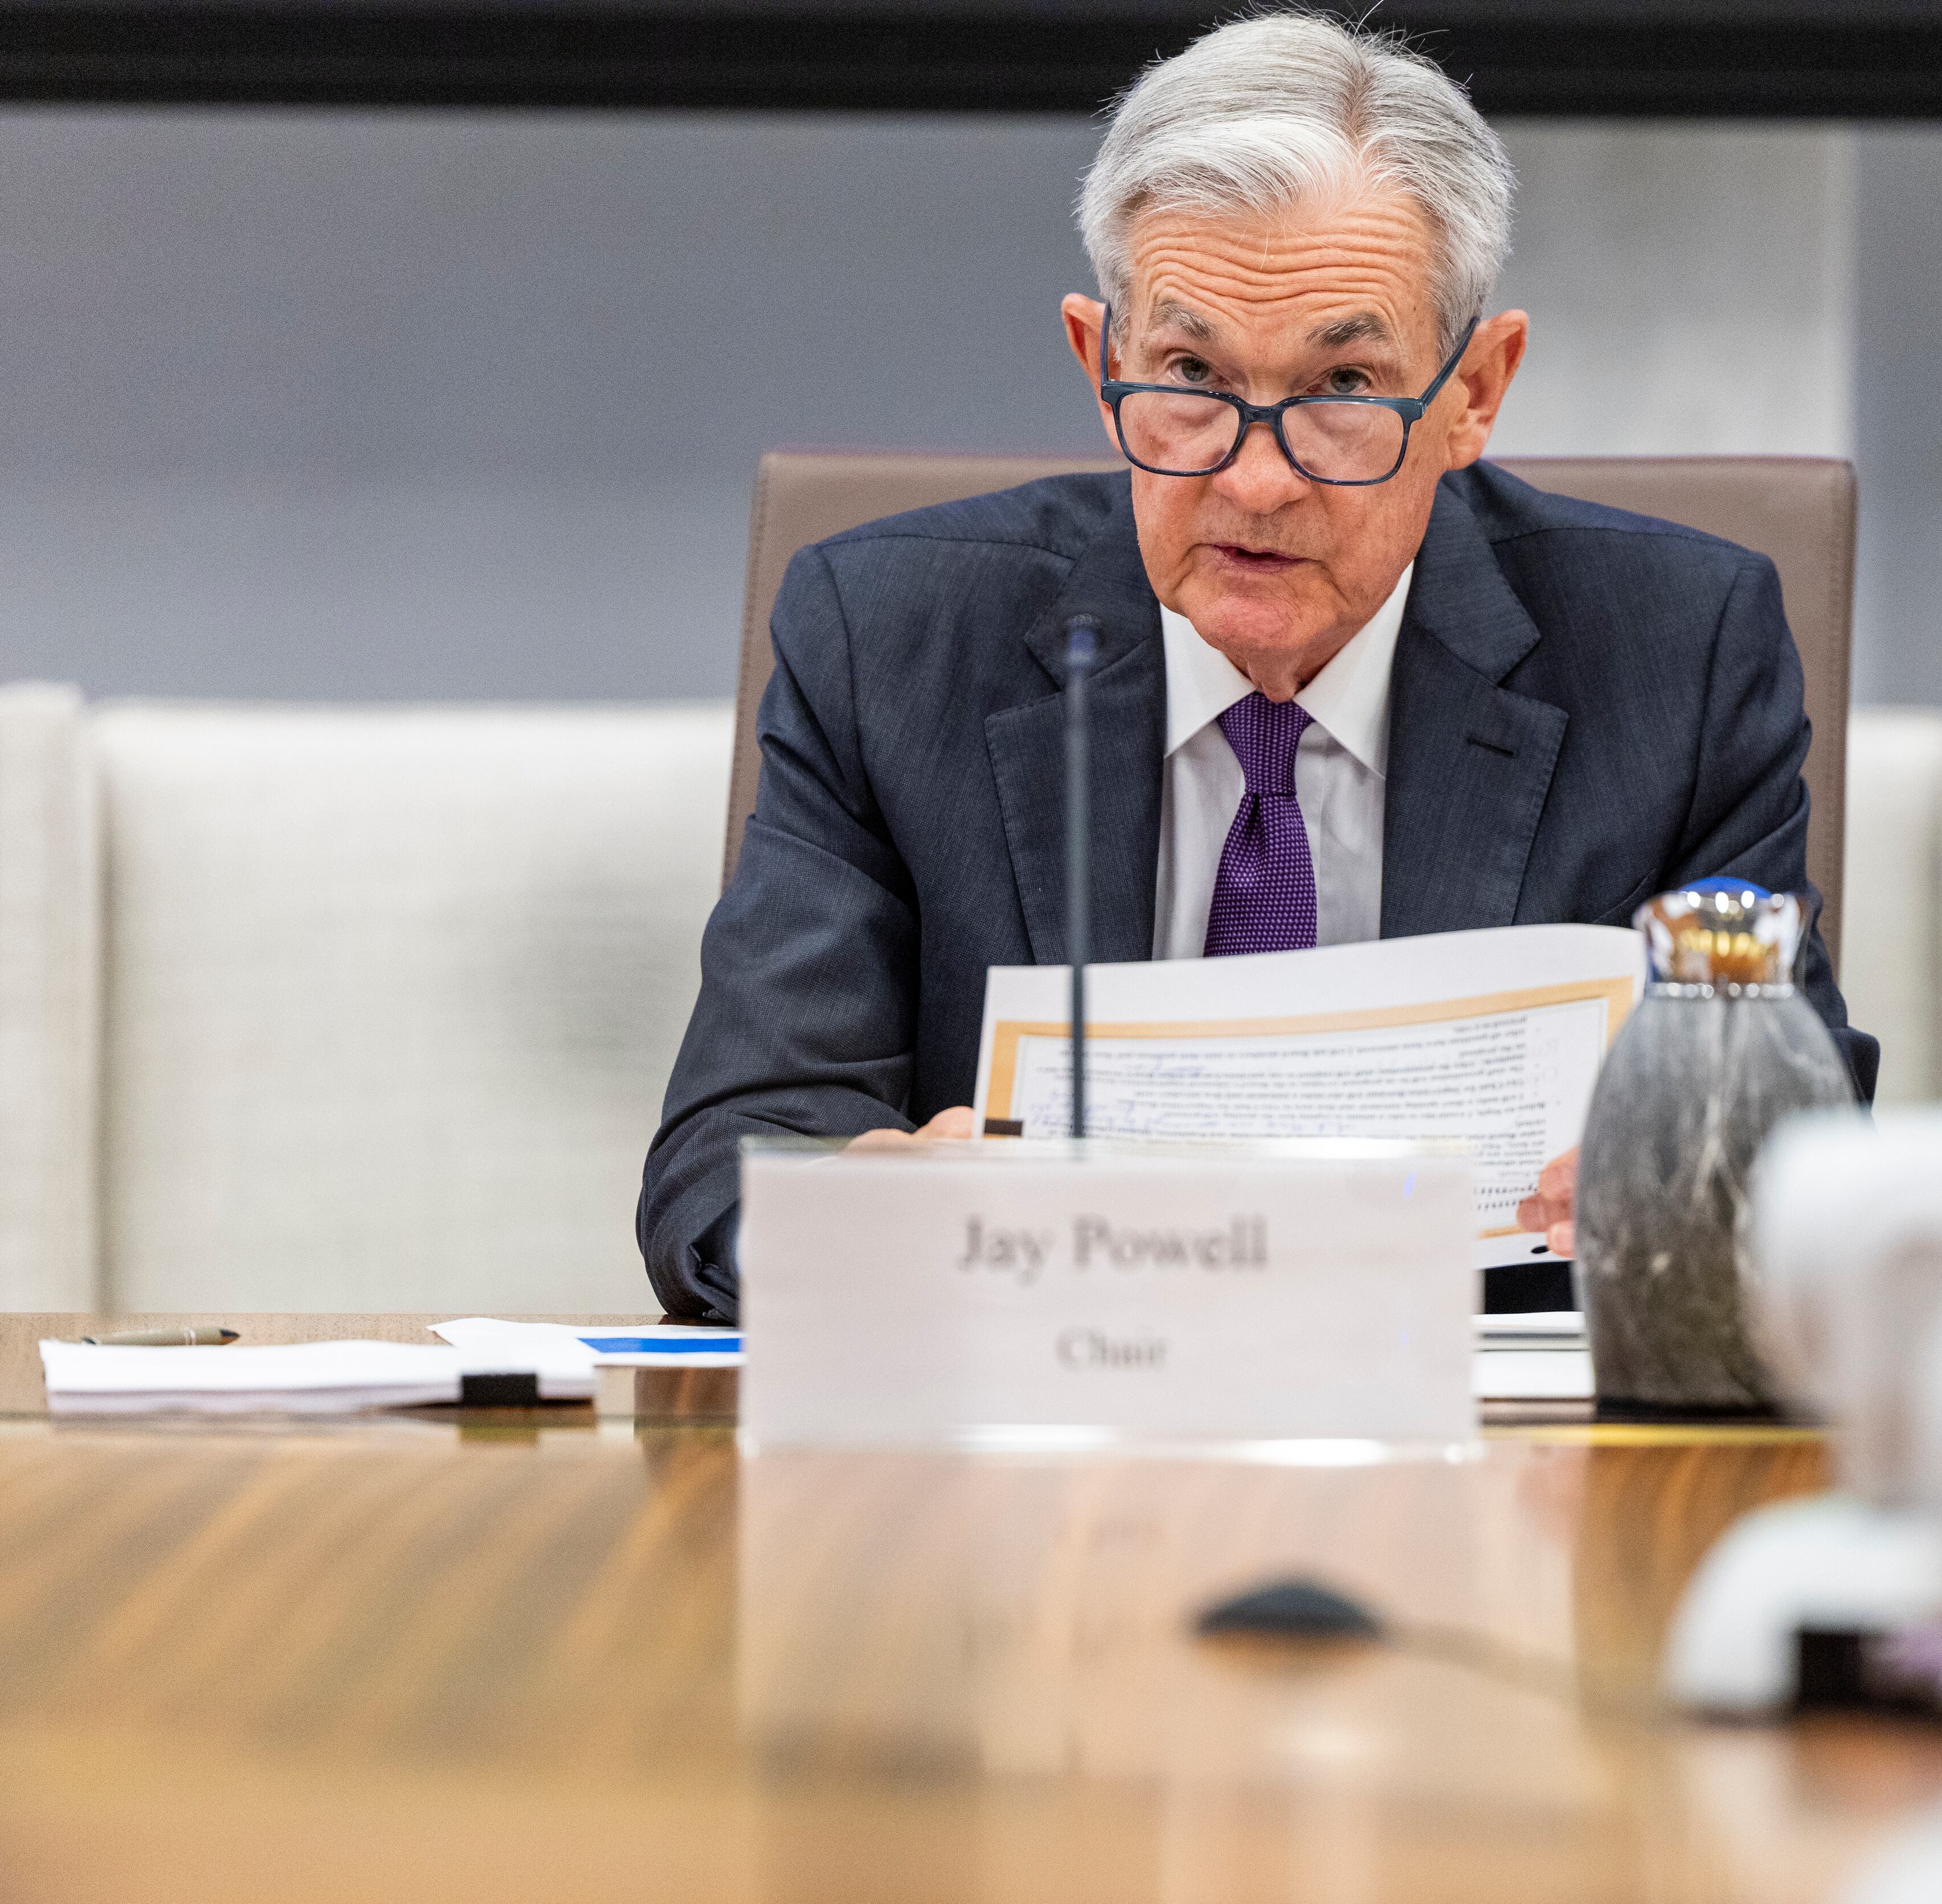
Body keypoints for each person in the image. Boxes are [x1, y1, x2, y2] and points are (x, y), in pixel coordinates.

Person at [640, 11, 1876, 1321]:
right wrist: (861, 1210)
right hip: (1034, 1440)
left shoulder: (1676, 653)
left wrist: (1701, 1187)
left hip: (1489, 1458)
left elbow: (1795, 1122)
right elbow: (734, 1158)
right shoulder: (885, 641)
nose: (1255, 477)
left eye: (1343, 383)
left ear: (1474, 393)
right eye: (1188, 375)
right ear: (1099, 363)